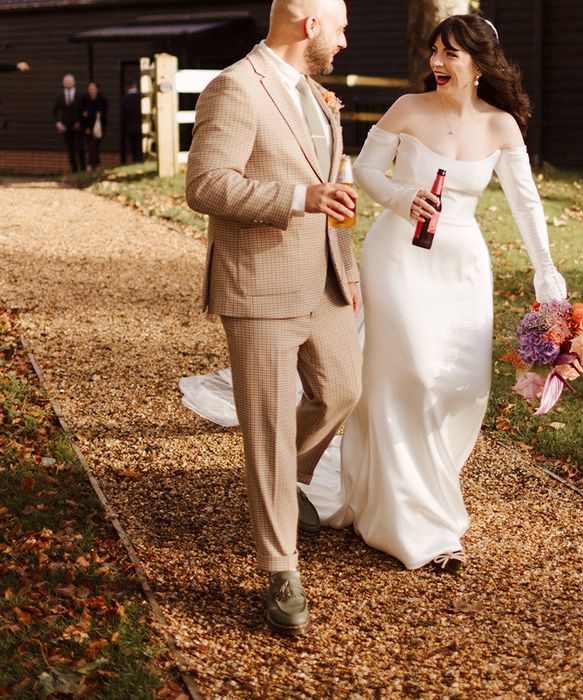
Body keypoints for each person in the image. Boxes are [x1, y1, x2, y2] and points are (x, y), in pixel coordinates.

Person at [180, 14, 566, 574]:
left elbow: (527, 205)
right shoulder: (407, 109)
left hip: (462, 267)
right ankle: (418, 522)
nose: (437, 62)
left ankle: (411, 489)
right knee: (404, 376)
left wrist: (545, 270)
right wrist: (404, 198)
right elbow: (364, 170)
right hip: (400, 258)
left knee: (461, 390)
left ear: (479, 65)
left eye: (451, 54)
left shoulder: (503, 126)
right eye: (434, 50)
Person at [184, 0, 361, 638]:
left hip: (328, 280)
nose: (346, 40)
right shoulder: (234, 87)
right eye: (340, 27)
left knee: (343, 390)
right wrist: (298, 197)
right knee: (266, 429)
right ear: (311, 25)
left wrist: (351, 272)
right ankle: (281, 568)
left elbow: (331, 188)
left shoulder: (317, 94)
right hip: (258, 284)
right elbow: (204, 185)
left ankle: (286, 488)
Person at [52, 73, 86, 173]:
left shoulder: (80, 96)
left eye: (70, 81)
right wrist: (58, 123)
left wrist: (80, 122)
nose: (68, 83)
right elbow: (54, 112)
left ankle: (83, 170)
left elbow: (84, 110)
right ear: (63, 83)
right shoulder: (60, 96)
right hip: (65, 127)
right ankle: (74, 170)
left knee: (80, 147)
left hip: (78, 126)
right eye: (66, 82)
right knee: (70, 149)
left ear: (74, 83)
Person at [80, 81, 108, 171]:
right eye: (90, 89)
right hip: (88, 127)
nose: (91, 90)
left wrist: (89, 114)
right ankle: (93, 165)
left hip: (99, 127)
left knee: (96, 146)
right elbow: (82, 114)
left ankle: (92, 165)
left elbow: (103, 114)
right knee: (91, 146)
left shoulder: (102, 99)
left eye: (93, 88)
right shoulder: (85, 99)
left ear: (97, 89)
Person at [121, 80, 143, 163]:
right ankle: (140, 159)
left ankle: (135, 160)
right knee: (139, 145)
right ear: (135, 86)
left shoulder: (124, 99)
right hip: (140, 125)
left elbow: (124, 115)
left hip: (129, 126)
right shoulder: (140, 98)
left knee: (133, 146)